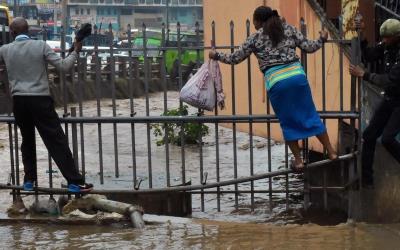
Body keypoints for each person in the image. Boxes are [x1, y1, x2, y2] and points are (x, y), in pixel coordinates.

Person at [209, 6, 337, 171]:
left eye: (254, 20)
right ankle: (332, 151)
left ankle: (298, 160)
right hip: (297, 78)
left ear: (258, 21)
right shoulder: (289, 29)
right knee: (310, 115)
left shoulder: (255, 38)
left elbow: (235, 58)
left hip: (277, 83)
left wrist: (216, 55)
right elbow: (309, 47)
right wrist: (322, 39)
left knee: (288, 122)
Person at [0, 17, 93, 192]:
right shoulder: (41, 46)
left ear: (12, 33)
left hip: (19, 101)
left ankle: (29, 181)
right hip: (40, 99)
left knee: (27, 140)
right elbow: (64, 67)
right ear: (28, 31)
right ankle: (74, 182)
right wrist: (75, 52)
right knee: (55, 140)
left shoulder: (5, 50)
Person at [349, 18, 400, 188]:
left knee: (387, 138)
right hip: (390, 98)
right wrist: (361, 35)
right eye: (383, 38)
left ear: (397, 36)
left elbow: (390, 80)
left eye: (387, 38)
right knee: (369, 135)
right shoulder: (387, 45)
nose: (384, 41)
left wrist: (364, 75)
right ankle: (367, 182)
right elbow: (370, 54)